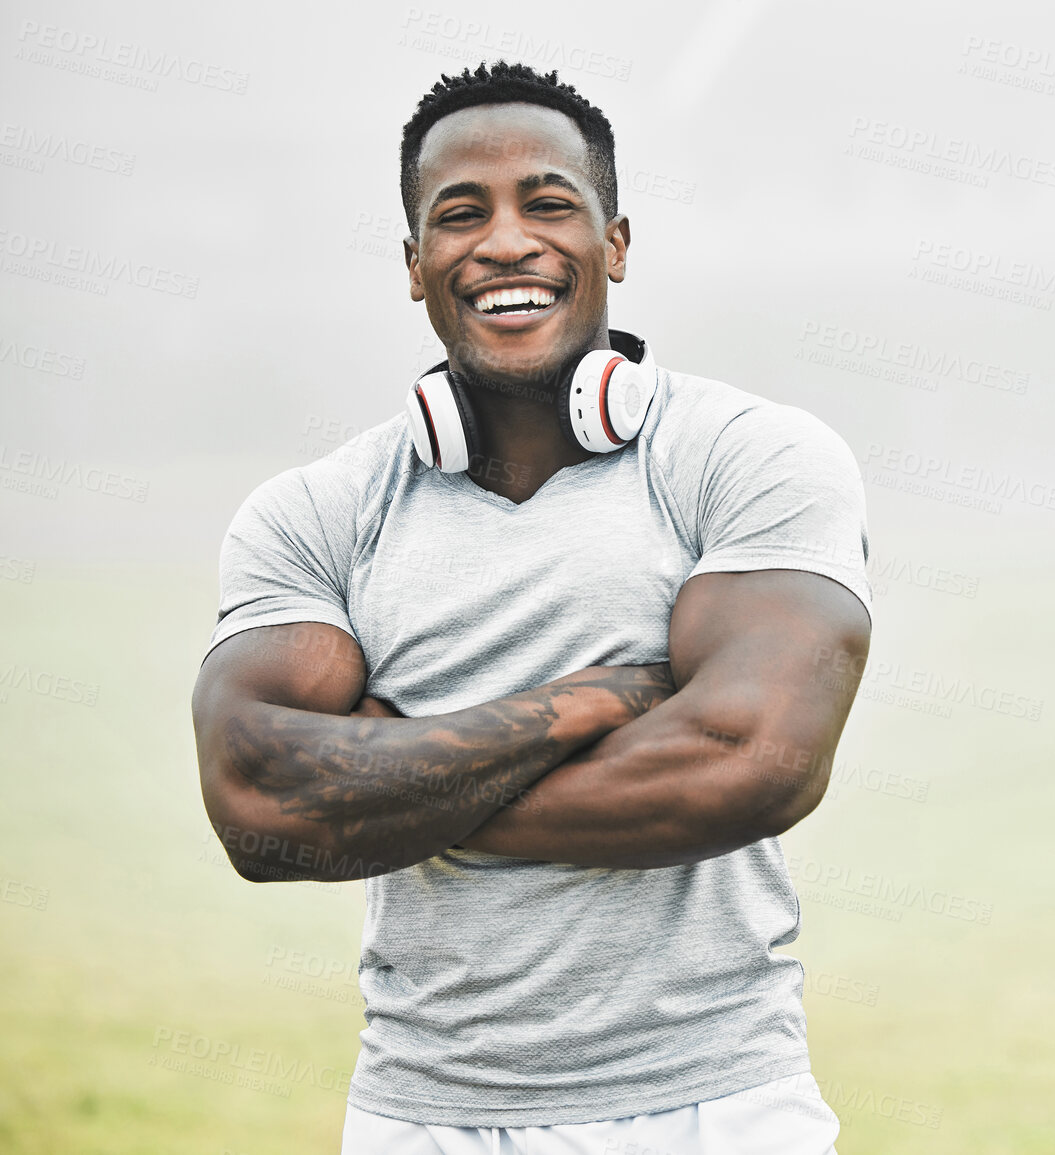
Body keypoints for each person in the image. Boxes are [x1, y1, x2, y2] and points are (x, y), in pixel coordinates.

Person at [189, 60, 873, 1154]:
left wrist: (393, 775)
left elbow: (754, 762)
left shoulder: (748, 458)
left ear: (616, 243)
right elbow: (258, 807)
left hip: (717, 1108)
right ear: (416, 267)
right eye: (461, 215)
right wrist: (591, 703)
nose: (506, 242)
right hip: (424, 1117)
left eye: (548, 203)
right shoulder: (315, 512)